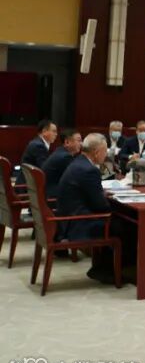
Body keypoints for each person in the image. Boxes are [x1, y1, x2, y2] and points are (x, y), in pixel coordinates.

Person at [56, 133, 114, 283]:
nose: (106, 154)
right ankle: (109, 272)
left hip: (68, 220)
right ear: (96, 152)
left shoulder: (78, 162)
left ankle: (102, 269)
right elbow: (101, 206)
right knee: (124, 226)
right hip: (78, 224)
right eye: (105, 151)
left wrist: (99, 194)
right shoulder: (90, 170)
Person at [43, 129, 82, 199]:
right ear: (67, 142)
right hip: (54, 197)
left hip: (48, 192)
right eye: (79, 140)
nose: (81, 144)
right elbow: (77, 178)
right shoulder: (65, 157)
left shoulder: (60, 151)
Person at [17, 118, 57, 183]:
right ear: (44, 131)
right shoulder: (38, 146)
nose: (56, 134)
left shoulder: (37, 143)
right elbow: (45, 169)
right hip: (28, 186)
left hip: (29, 183)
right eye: (54, 131)